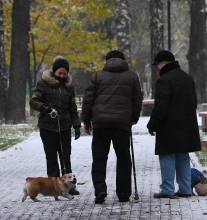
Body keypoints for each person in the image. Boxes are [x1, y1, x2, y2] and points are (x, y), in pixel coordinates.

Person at [82, 50, 143, 204]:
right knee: (123, 158)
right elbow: (137, 99)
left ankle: (100, 190)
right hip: (122, 123)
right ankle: (123, 194)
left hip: (101, 123)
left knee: (99, 158)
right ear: (123, 60)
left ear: (107, 60)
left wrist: (86, 120)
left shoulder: (97, 76)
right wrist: (134, 118)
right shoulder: (132, 76)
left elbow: (88, 99)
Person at [147, 50, 201, 199]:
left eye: (157, 65)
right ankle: (185, 189)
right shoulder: (187, 78)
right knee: (183, 156)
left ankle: (167, 189)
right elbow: (194, 102)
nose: (157, 68)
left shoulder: (164, 80)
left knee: (167, 157)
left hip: (168, 126)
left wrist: (152, 124)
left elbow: (161, 107)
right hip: (186, 125)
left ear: (163, 63)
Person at [29, 56, 81, 195]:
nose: (62, 76)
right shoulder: (43, 83)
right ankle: (54, 187)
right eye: (60, 73)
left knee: (65, 156)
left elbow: (72, 107)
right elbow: (33, 102)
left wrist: (76, 125)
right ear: (54, 71)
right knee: (51, 157)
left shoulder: (68, 87)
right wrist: (44, 108)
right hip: (47, 127)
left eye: (64, 74)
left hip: (64, 126)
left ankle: (69, 186)